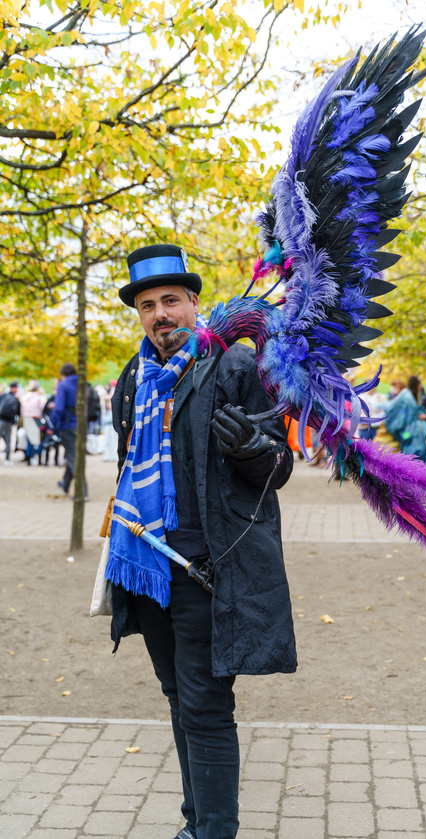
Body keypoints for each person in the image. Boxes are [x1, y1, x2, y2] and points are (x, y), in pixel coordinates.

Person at [107, 244, 295, 839]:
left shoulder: (234, 366)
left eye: (170, 300)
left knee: (206, 707)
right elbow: (123, 464)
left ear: (194, 302)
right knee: (176, 697)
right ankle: (196, 822)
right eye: (147, 305)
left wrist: (251, 448)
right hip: (145, 564)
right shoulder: (132, 378)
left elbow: (278, 468)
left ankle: (213, 831)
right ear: (139, 315)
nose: (160, 314)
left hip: (207, 566)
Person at [51, 363, 88, 499]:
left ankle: (82, 492)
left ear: (63, 374)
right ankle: (65, 485)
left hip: (68, 425)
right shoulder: (83, 384)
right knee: (73, 455)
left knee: (73, 458)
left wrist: (52, 423)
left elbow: (59, 408)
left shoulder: (63, 384)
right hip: (82, 425)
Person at [385, 375, 426, 462]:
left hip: (410, 435)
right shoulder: (408, 396)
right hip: (411, 436)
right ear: (417, 385)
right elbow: (406, 416)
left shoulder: (408, 395)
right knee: (415, 459)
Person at [20, 384, 46, 465]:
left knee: (29, 440)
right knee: (39, 439)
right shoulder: (39, 398)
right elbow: (43, 408)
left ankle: (28, 458)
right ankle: (38, 457)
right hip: (37, 419)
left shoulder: (24, 397)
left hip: (27, 419)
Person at [0, 382, 21, 466]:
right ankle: (7, 459)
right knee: (8, 440)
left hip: (0, 420)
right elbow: (18, 412)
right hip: (8, 422)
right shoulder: (16, 399)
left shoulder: (3, 396)